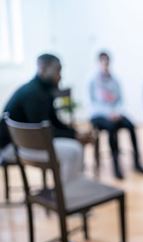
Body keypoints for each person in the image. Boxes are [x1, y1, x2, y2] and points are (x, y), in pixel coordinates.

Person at [0, 54, 91, 184]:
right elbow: (43, 132)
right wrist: (74, 136)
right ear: (42, 68)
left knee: (75, 146)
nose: (60, 76)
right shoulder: (33, 93)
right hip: (12, 147)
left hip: (28, 140)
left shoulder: (43, 90)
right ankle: (66, 197)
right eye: (57, 71)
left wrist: (75, 133)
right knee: (73, 151)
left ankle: (71, 189)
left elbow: (53, 122)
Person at [89, 51, 143, 179]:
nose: (105, 65)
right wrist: (108, 113)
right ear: (98, 63)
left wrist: (117, 112)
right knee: (111, 128)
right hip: (99, 115)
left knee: (131, 125)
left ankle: (137, 162)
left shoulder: (115, 80)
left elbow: (120, 100)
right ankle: (116, 166)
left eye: (107, 62)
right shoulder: (92, 81)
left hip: (116, 113)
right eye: (102, 62)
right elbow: (92, 103)